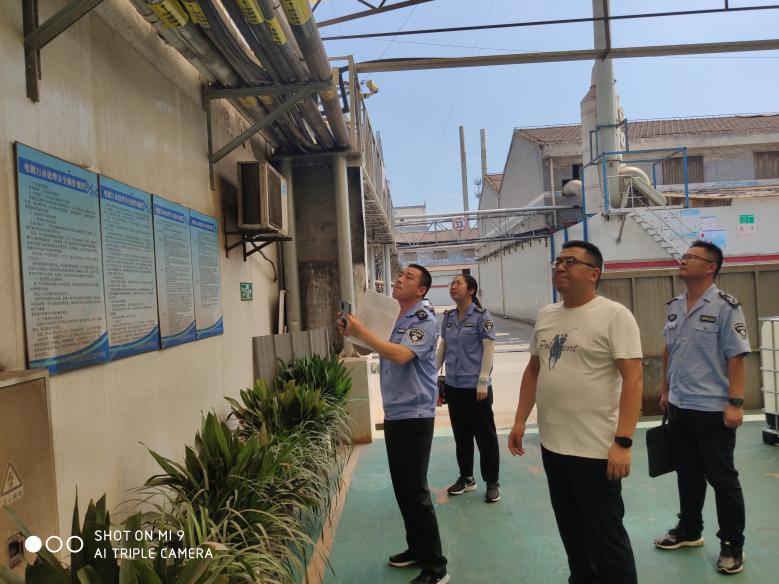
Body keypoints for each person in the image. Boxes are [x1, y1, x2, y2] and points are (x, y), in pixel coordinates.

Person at [508, 240, 643, 584]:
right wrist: (520, 420)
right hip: (553, 445)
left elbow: (633, 379)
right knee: (570, 528)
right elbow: (534, 370)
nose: (560, 267)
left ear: (594, 274)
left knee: (606, 536)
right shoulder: (546, 315)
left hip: (595, 450)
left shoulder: (614, 315)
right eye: (558, 261)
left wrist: (623, 442)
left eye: (570, 261)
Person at [338, 264, 449, 584]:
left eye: (408, 277)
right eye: (400, 275)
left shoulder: (424, 320)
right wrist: (352, 333)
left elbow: (401, 355)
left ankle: (436, 567)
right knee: (404, 489)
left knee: (415, 490)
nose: (400, 279)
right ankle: (417, 548)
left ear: (421, 290)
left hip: (415, 414)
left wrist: (363, 333)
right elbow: (374, 348)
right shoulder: (394, 316)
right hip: (397, 412)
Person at [654, 240, 750, 575]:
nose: (682, 260)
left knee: (722, 478)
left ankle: (732, 545)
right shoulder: (675, 305)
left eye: (690, 257)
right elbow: (668, 350)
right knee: (687, 472)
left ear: (710, 267)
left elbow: (736, 356)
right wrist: (666, 390)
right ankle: (690, 530)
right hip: (680, 404)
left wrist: (735, 403)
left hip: (712, 409)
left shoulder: (726, 307)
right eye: (683, 256)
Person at [437, 274, 501, 502]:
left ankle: (492, 482)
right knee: (461, 435)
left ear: (471, 290)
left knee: (485, 437)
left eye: (458, 283)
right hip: (454, 386)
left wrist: (483, 380)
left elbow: (489, 349)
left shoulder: (483, 317)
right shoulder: (448, 317)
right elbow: (443, 347)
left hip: (476, 388)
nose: (453, 286)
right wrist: (433, 375)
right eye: (452, 283)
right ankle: (466, 478)